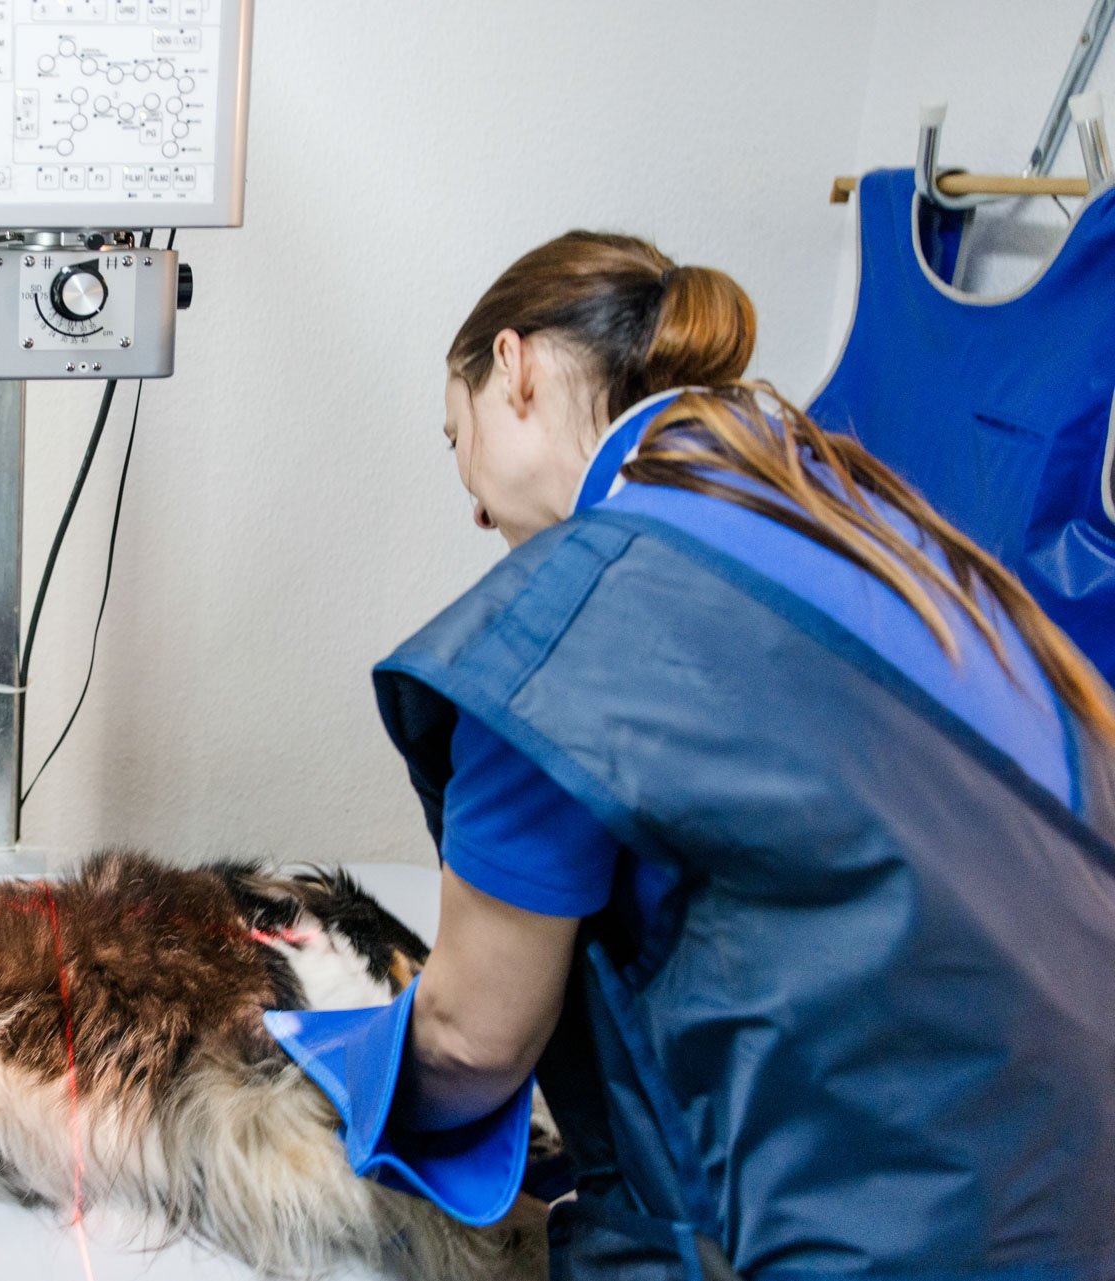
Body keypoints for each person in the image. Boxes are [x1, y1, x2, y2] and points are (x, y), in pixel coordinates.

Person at [267, 232, 1115, 1279]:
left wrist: (309, 1067)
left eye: (457, 437)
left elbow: (471, 1044)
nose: (475, 507)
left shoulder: (562, 626)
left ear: (514, 366)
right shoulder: (869, 530)